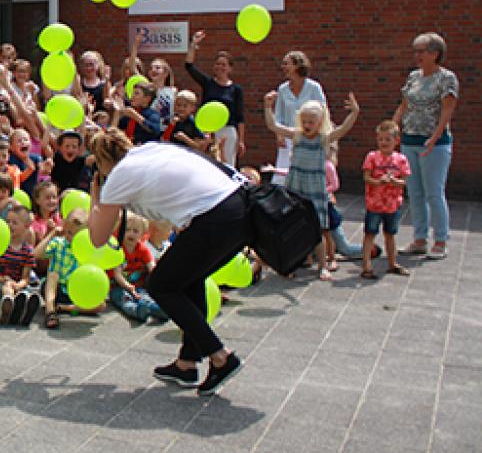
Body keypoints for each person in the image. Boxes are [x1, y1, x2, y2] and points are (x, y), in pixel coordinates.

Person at [87, 129, 249, 396]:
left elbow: (97, 238)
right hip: (238, 206)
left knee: (161, 285)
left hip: (214, 215)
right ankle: (187, 364)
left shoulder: (119, 175)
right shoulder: (149, 150)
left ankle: (221, 356)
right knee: (188, 280)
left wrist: (96, 195)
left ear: (102, 160)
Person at [264, 94, 360, 281]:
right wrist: (268, 108)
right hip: (296, 186)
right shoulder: (297, 135)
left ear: (320, 122)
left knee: (318, 229)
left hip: (314, 188)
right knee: (293, 227)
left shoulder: (324, 139)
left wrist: (354, 112)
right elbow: (273, 126)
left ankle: (323, 266)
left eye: (311, 122)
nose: (307, 125)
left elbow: (342, 130)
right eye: (304, 121)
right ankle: (290, 264)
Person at [392, 32, 458, 260]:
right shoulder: (413, 77)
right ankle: (419, 238)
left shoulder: (446, 78)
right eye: (416, 51)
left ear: (435, 53)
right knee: (414, 192)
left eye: (421, 51)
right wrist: (393, 128)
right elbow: (404, 105)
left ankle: (440, 239)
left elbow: (447, 110)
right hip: (410, 141)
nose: (416, 56)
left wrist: (435, 136)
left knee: (434, 192)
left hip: (434, 145)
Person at [184, 31, 245, 165]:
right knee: (208, 164)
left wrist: (241, 140)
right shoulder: (208, 83)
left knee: (228, 165)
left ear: (230, 68)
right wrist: (193, 44)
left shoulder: (236, 89)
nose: (220, 67)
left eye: (224, 64)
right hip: (209, 131)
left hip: (228, 130)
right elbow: (189, 66)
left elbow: (240, 117)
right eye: (217, 64)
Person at [360, 121, 412, 279]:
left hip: (392, 204)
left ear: (396, 141)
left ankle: (392, 263)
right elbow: (366, 177)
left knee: (390, 234)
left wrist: (394, 182)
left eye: (387, 139)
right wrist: (379, 182)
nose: (383, 143)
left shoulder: (401, 159)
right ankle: (367, 265)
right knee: (370, 233)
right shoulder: (372, 157)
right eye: (381, 139)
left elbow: (404, 181)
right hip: (374, 204)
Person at [270, 51, 325, 185]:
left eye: (286, 63)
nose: (283, 67)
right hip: (288, 136)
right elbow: (278, 115)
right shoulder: (282, 89)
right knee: (282, 174)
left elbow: (323, 111)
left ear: (297, 65)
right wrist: (279, 135)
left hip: (309, 136)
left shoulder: (313, 87)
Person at [0, 206, 41, 326]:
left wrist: (18, 285)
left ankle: (19, 309)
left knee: (27, 293)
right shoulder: (0, 245)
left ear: (26, 227)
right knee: (3, 289)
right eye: (7, 221)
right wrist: (4, 280)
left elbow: (25, 278)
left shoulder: (28, 251)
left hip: (17, 286)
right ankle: (9, 304)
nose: (9, 225)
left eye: (14, 223)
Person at [109, 213, 168, 323]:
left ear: (142, 234)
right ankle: (137, 311)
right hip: (118, 287)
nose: (131, 233)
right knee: (124, 299)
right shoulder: (118, 250)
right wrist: (128, 286)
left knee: (144, 297)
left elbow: (152, 267)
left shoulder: (143, 250)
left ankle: (157, 309)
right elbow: (117, 273)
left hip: (138, 287)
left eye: (135, 231)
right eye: (127, 230)